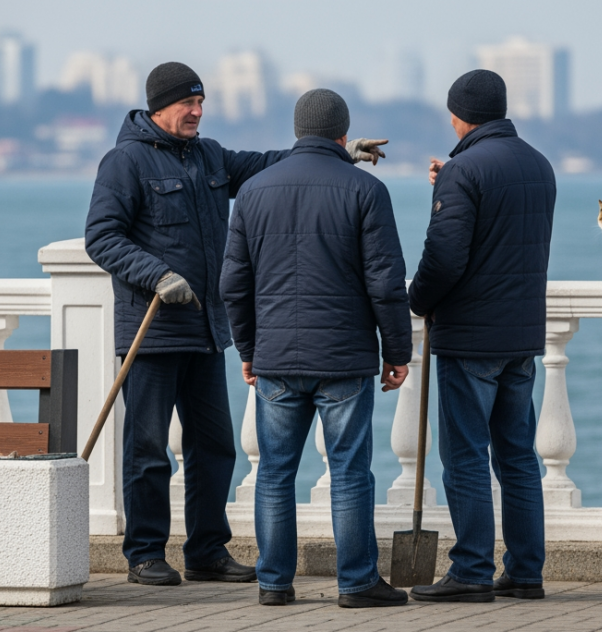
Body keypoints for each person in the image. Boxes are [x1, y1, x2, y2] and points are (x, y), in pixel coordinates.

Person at [84, 63, 388, 587]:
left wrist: (341, 150)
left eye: (201, 103)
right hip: (151, 332)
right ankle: (144, 554)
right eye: (188, 104)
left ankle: (206, 551)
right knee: (148, 449)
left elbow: (268, 165)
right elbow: (101, 237)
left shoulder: (208, 155)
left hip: (205, 332)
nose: (198, 112)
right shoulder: (124, 162)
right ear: (159, 106)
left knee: (216, 446)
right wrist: (156, 275)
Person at [221, 89, 412, 608]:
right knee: (350, 470)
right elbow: (386, 282)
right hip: (344, 357)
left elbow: (233, 283)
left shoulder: (255, 191)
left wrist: (248, 348)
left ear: (297, 131)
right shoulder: (365, 190)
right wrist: (398, 351)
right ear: (344, 135)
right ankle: (356, 584)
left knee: (275, 472)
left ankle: (273, 583)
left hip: (276, 357)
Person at [406, 70, 557, 603]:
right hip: (521, 338)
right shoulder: (538, 165)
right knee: (517, 457)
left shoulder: (464, 171)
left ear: (458, 115)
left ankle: (470, 569)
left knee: (466, 456)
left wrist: (417, 301)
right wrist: (451, 180)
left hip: (470, 338)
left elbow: (445, 259)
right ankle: (524, 571)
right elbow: (505, 227)